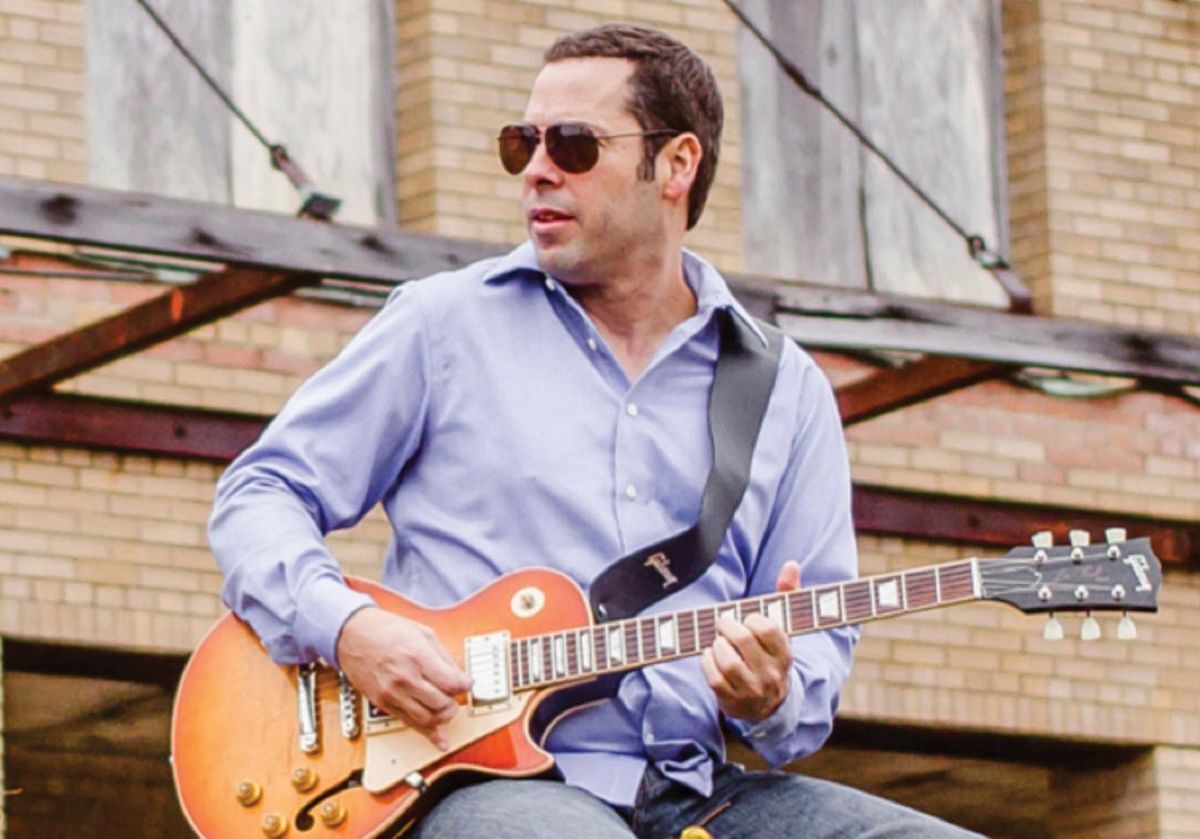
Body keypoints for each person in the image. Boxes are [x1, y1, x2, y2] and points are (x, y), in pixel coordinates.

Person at [209, 22, 978, 839]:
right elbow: (260, 492)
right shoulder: (442, 325)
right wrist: (347, 628)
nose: (537, 168)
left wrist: (772, 692)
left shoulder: (785, 389)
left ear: (677, 164)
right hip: (477, 782)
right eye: (522, 143)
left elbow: (806, 690)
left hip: (696, 791)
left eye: (574, 145)